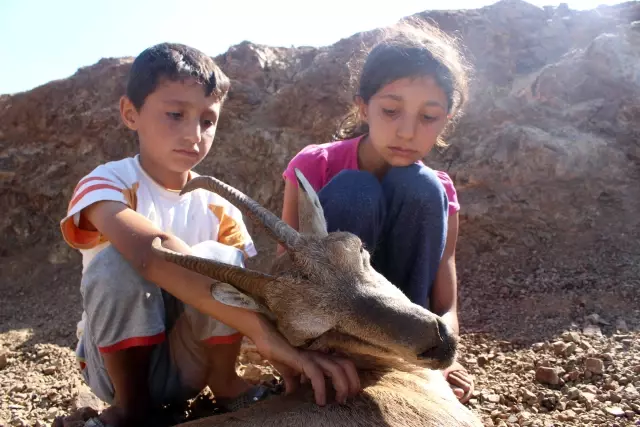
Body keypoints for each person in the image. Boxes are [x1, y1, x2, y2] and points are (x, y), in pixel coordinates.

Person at [56, 42, 360, 427]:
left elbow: (244, 289)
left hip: (189, 367)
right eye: (175, 114)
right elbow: (152, 253)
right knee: (117, 261)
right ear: (130, 113)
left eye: (207, 120)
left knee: (226, 261)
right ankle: (131, 409)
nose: (193, 134)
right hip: (114, 371)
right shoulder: (107, 183)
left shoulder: (220, 206)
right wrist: (262, 335)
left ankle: (224, 382)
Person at [279, 20, 475, 403]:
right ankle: (334, 356)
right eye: (391, 110)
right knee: (356, 189)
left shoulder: (440, 193)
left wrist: (446, 351)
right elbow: (288, 268)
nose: (407, 131)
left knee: (421, 186)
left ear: (445, 121)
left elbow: (445, 299)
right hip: (330, 333)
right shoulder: (313, 166)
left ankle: (413, 357)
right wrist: (294, 353)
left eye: (428, 117)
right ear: (363, 108)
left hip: (404, 337)